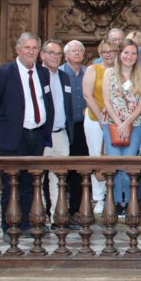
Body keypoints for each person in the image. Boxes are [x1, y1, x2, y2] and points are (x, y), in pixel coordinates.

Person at [0, 32, 54, 235]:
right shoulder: (4, 72)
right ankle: (10, 226)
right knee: (11, 182)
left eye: (34, 48)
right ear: (18, 49)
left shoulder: (43, 73)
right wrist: (5, 128)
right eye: (27, 48)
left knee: (32, 182)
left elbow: (46, 102)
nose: (31, 52)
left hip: (37, 135)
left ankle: (28, 223)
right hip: (14, 137)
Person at [102, 40, 141, 216]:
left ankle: (128, 201)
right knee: (114, 163)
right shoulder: (109, 73)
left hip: (134, 124)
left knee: (128, 163)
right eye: (126, 53)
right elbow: (106, 100)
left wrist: (127, 123)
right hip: (112, 123)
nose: (130, 57)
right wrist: (118, 123)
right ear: (119, 54)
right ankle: (115, 201)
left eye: (133, 53)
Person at [39, 39, 75, 227]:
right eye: (51, 53)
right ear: (42, 55)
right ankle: (38, 218)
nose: (55, 57)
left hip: (61, 135)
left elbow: (67, 107)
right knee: (38, 178)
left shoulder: (64, 77)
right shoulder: (37, 75)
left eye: (58, 54)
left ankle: (58, 217)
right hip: (42, 135)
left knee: (59, 178)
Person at [82, 39, 117, 214]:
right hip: (95, 119)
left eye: (111, 51)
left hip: (117, 121)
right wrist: (101, 116)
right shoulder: (92, 69)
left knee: (114, 158)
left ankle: (115, 195)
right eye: (104, 51)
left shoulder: (121, 70)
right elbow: (88, 96)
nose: (108, 54)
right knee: (96, 157)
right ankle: (98, 198)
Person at [61, 40, 88, 218]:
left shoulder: (88, 72)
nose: (77, 53)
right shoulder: (60, 73)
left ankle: (76, 210)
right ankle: (58, 209)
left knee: (81, 170)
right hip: (64, 128)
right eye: (73, 51)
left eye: (80, 50)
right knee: (63, 170)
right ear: (66, 55)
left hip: (84, 128)